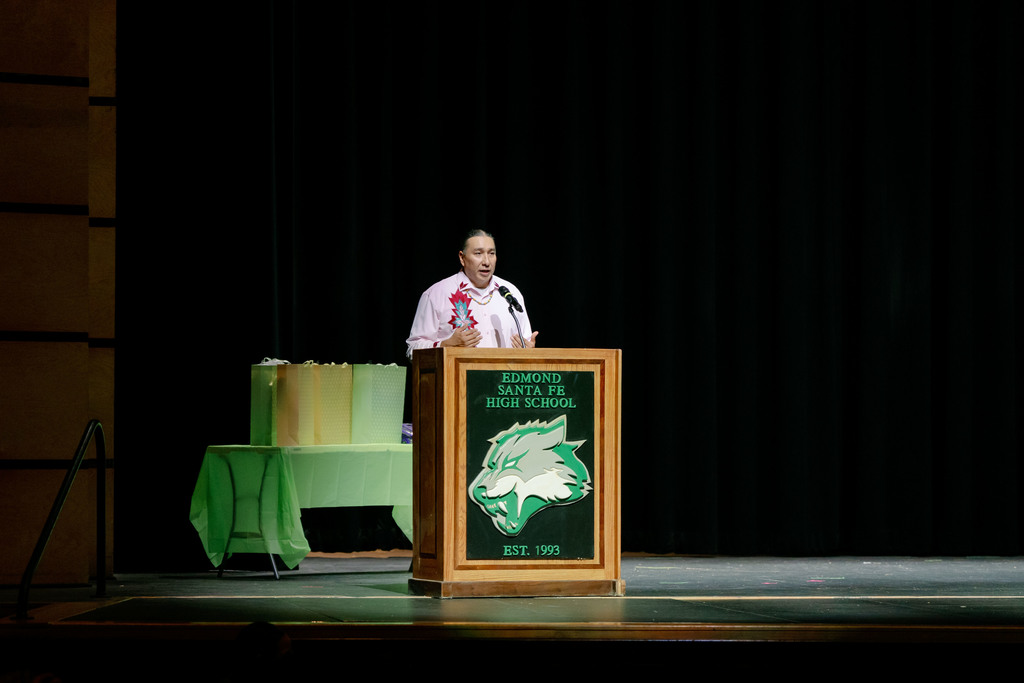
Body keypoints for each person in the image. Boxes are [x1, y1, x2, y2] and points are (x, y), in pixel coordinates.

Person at [406, 230, 538, 358]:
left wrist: (529, 351)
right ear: (462, 258)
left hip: (504, 378)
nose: (486, 262)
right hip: (457, 378)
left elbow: (526, 343)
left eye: (491, 253)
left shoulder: (511, 293)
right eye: (478, 253)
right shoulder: (437, 293)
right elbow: (412, 350)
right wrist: (445, 344)